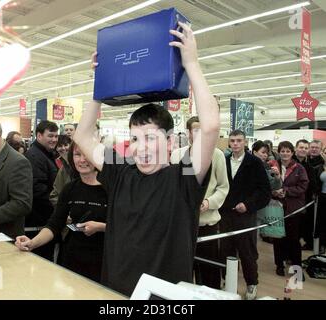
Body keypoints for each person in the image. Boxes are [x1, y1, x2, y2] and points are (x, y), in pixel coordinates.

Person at [74, 22, 220, 296]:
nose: (141, 148)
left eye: (150, 138)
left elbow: (210, 126)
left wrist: (191, 64)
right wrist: (99, 86)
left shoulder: (185, 176)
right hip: (114, 292)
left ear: (169, 140)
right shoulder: (121, 172)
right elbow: (82, 136)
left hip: (164, 298)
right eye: (136, 138)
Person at [16, 141, 107, 282]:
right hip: (70, 258)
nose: (82, 160)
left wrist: (100, 227)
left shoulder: (111, 190)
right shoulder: (70, 188)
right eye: (77, 155)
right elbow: (54, 224)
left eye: (87, 155)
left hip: (102, 262)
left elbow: (125, 227)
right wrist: (32, 243)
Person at [171, 116, 229, 289]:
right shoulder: (177, 155)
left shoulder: (217, 155)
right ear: (188, 133)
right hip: (182, 226)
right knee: (183, 271)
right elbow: (172, 186)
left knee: (208, 272)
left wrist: (208, 202)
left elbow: (223, 187)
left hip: (206, 224)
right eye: (195, 130)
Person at [220, 130, 271, 300]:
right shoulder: (223, 161)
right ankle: (227, 280)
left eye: (239, 140)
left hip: (245, 215)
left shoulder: (255, 163)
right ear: (229, 143)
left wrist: (248, 205)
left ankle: (252, 283)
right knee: (226, 249)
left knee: (247, 251)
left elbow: (264, 191)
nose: (235, 144)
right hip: (225, 214)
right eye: (232, 140)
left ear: (245, 142)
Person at [270, 141, 309, 278]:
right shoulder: (272, 166)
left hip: (293, 209)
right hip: (276, 208)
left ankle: (297, 269)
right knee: (278, 237)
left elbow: (303, 187)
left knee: (294, 239)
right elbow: (266, 184)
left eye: (288, 151)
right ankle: (279, 265)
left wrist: (286, 191)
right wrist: (274, 192)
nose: (285, 153)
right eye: (282, 151)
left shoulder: (299, 168)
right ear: (278, 152)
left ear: (292, 153)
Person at [25, 120, 59, 260]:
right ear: (39, 136)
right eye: (50, 136)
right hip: (38, 223)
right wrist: (58, 209)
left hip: (42, 221)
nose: (54, 139)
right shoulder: (35, 156)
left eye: (56, 136)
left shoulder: (46, 154)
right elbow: (38, 190)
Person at [293, 139, 317, 250]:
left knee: (299, 229)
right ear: (296, 148)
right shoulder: (289, 163)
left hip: (304, 202)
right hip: (289, 201)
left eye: (305, 148)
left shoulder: (309, 167)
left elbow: (312, 185)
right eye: (301, 147)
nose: (303, 150)